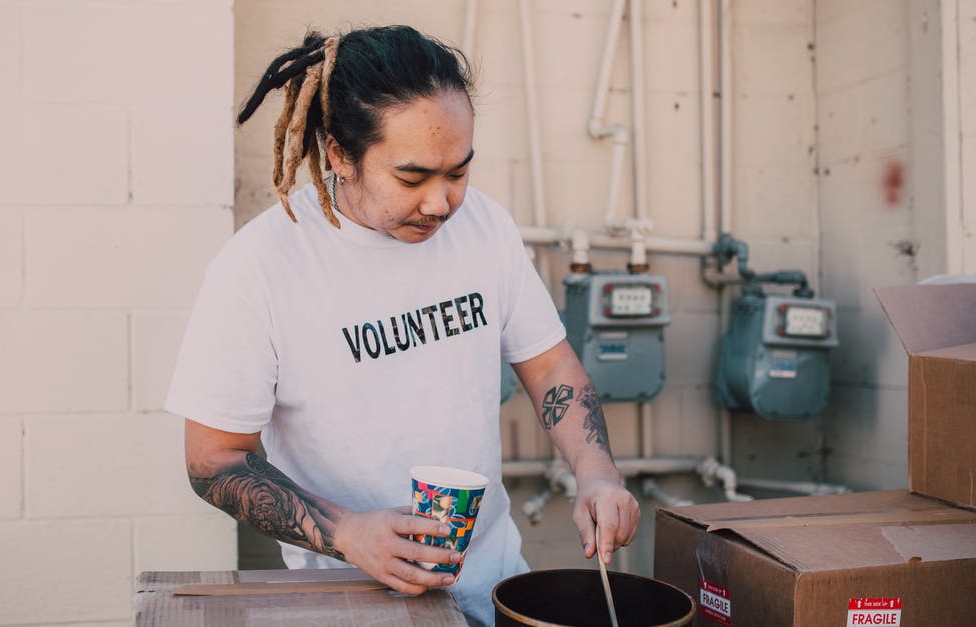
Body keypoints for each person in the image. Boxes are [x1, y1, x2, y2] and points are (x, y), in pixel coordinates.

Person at [166, 25, 640, 626]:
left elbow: (548, 365)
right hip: (352, 604)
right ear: (340, 154)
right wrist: (350, 533)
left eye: (459, 173)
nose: (441, 203)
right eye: (413, 179)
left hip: (494, 589)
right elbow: (212, 459)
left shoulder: (485, 227)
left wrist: (597, 473)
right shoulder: (259, 267)